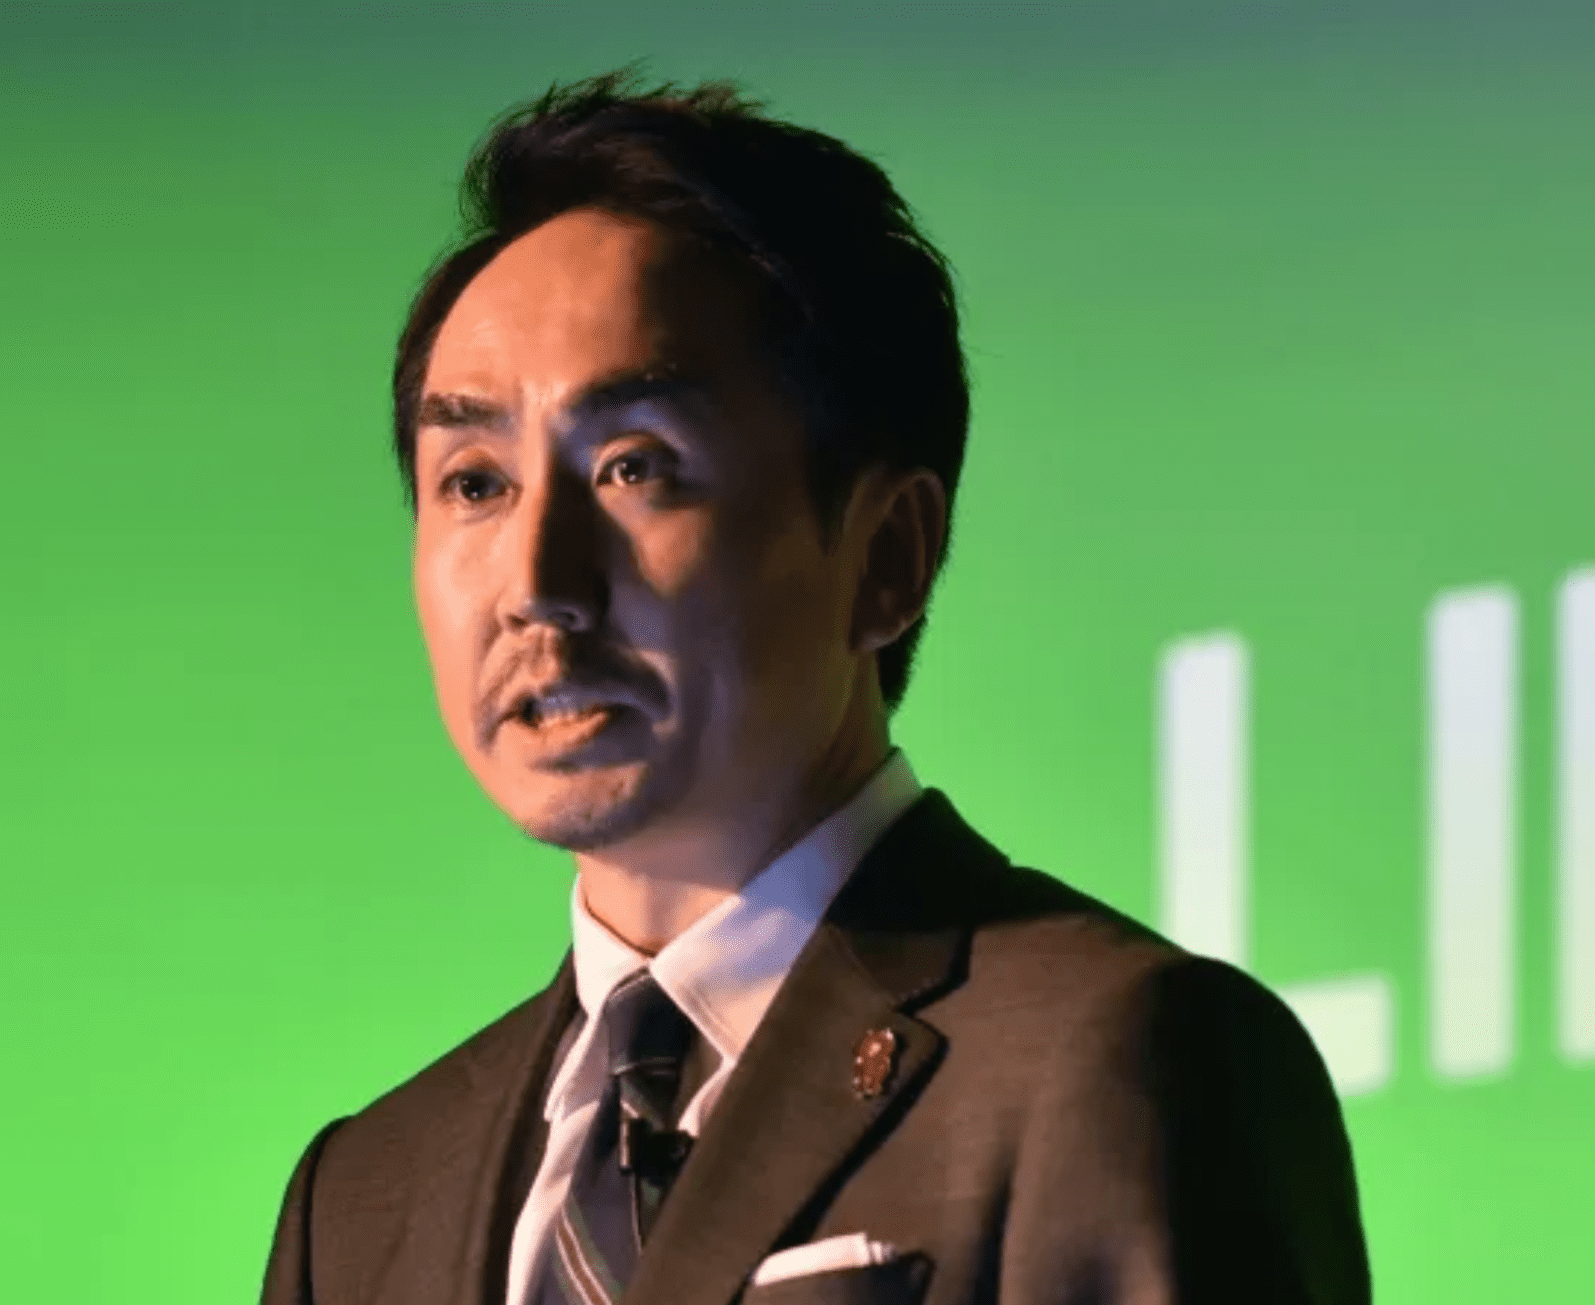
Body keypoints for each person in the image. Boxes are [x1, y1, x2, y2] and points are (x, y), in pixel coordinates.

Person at [258, 72, 1370, 1305]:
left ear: (888, 556)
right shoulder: (359, 1201)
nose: (536, 583)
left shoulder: (1118, 1057)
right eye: (474, 482)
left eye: (635, 466)